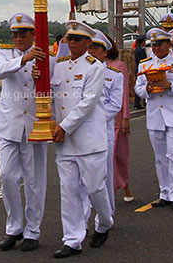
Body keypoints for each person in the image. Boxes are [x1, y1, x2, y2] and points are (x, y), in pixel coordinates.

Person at [32, 20, 112, 258]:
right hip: (64, 141)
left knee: (95, 188)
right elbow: (51, 93)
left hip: (88, 139)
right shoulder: (60, 65)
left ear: (89, 43)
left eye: (78, 39)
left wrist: (64, 126)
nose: (73, 43)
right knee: (69, 192)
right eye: (70, 38)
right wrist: (39, 77)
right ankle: (72, 239)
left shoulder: (95, 67)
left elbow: (87, 103)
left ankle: (105, 222)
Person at [0, 13, 52, 252]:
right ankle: (14, 226)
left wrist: (41, 78)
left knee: (34, 180)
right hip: (8, 124)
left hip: (35, 123)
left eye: (22, 34)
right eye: (15, 34)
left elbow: (51, 85)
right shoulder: (5, 53)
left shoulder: (45, 53)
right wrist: (24, 60)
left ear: (32, 35)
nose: (17, 38)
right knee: (6, 175)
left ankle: (32, 230)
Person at [134, 28, 173, 210]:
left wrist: (170, 86)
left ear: (168, 44)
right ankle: (164, 192)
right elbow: (138, 87)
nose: (157, 48)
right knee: (160, 158)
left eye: (160, 44)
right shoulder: (145, 64)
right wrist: (148, 90)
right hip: (155, 115)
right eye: (153, 45)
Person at [87, 30, 123, 215]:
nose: (91, 51)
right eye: (89, 47)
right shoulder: (79, 72)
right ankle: (82, 219)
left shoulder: (114, 75)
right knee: (82, 179)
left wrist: (91, 118)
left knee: (104, 176)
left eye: (95, 48)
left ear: (105, 52)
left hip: (102, 132)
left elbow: (114, 105)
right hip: (81, 133)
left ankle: (106, 214)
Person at [104, 35, 134, 202]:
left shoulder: (118, 66)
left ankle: (125, 185)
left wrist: (125, 117)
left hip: (116, 117)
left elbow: (123, 93)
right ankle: (108, 190)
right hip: (99, 120)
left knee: (120, 155)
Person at [133, 35, 148, 109]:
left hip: (138, 69)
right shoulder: (141, 50)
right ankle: (141, 103)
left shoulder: (137, 49)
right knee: (143, 85)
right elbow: (143, 61)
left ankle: (137, 103)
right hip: (141, 69)